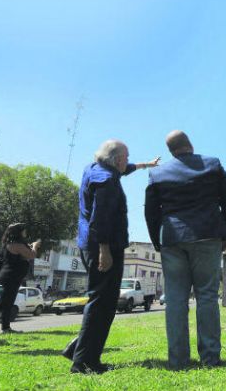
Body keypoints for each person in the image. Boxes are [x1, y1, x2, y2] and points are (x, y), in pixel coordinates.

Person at [62, 139, 160, 374]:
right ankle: (84, 363)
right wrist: (104, 251)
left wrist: (145, 165)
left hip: (90, 243)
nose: (127, 161)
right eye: (126, 157)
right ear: (116, 159)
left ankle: (78, 350)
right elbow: (101, 217)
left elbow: (125, 169)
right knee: (102, 304)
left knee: (102, 301)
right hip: (102, 246)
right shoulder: (106, 182)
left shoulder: (95, 169)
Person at [144, 130, 226, 370]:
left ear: (171, 151)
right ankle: (210, 358)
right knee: (207, 296)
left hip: (172, 238)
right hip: (207, 234)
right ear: (190, 145)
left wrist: (157, 242)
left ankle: (178, 360)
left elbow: (151, 212)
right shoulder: (212, 164)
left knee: (175, 300)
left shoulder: (157, 173)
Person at [0, 223, 41, 336]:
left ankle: (6, 328)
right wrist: (35, 246)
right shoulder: (16, 245)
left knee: (8, 303)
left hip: (12, 276)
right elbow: (31, 255)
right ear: (19, 232)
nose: (25, 232)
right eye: (23, 230)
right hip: (10, 277)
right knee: (2, 303)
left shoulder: (12, 243)